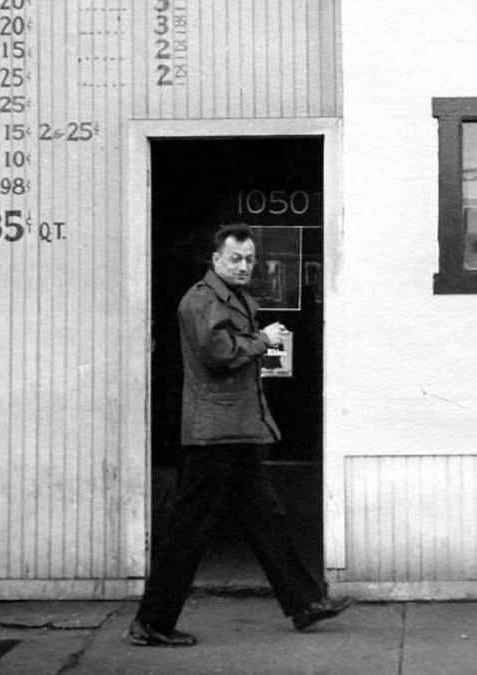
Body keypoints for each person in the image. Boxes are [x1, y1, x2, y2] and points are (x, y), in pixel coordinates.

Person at [128, 224, 353, 647]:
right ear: (215, 260)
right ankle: (152, 622)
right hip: (214, 435)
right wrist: (261, 340)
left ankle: (305, 603)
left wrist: (255, 340)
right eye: (235, 258)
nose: (244, 265)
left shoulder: (230, 299)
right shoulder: (201, 300)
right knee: (188, 530)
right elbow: (218, 354)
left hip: (235, 430)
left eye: (249, 259)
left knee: (267, 519)